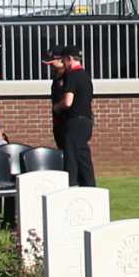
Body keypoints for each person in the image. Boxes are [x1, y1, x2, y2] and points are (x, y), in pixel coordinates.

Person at [45, 41, 97, 186]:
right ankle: (90, 186)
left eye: (65, 60)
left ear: (69, 59)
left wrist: (57, 107)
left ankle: (73, 186)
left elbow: (68, 101)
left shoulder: (72, 76)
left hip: (74, 122)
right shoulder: (85, 76)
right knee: (83, 158)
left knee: (72, 160)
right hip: (86, 121)